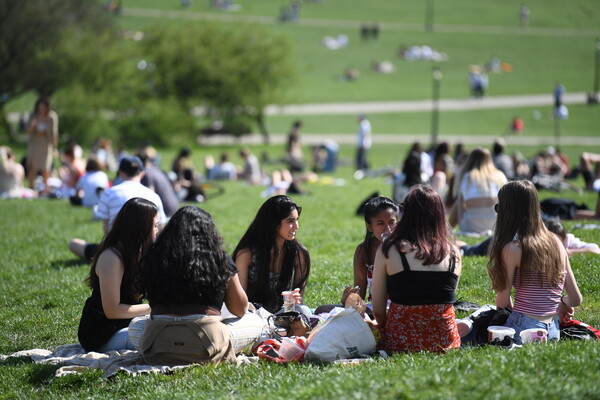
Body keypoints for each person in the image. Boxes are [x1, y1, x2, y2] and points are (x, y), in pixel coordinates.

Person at [131, 206, 263, 365]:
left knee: (135, 325)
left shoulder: (153, 257)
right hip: (206, 346)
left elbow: (136, 293)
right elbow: (239, 309)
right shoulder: (218, 259)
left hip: (157, 346)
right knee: (255, 320)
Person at [488, 180, 582, 343]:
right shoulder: (557, 243)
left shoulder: (513, 249)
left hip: (523, 327)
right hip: (553, 330)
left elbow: (502, 302)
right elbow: (576, 299)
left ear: (508, 213)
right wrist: (561, 302)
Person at [372, 185, 462, 353]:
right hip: (446, 342)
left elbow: (377, 309)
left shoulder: (389, 250)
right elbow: (444, 299)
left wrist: (384, 329)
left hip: (400, 343)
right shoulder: (453, 253)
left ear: (405, 214)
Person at [77, 197, 159, 352]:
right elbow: (112, 310)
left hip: (128, 324)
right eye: (154, 225)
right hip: (103, 334)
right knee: (159, 336)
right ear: (141, 227)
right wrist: (155, 308)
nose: (157, 230)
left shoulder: (138, 253)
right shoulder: (112, 258)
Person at [68, 156, 166, 261]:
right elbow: (160, 228)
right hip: (145, 251)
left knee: (73, 243)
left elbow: (106, 228)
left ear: (120, 173)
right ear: (142, 173)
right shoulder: (153, 195)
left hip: (117, 251)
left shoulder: (109, 193)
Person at [232, 195, 310, 314]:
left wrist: (294, 300)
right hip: (250, 313)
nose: (296, 226)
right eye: (290, 221)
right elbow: (239, 300)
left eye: (297, 219)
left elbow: (298, 301)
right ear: (273, 223)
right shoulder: (247, 254)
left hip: (281, 314)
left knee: (304, 311)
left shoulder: (298, 253)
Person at [449, 147, 507, 235]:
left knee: (459, 201)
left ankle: (448, 228)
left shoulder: (466, 176)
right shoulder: (499, 175)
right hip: (496, 225)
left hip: (470, 226)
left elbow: (460, 203)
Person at [26, 97, 58, 195]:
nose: (41, 109)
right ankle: (31, 188)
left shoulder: (52, 117)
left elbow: (54, 134)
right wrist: (33, 125)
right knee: (31, 166)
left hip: (45, 145)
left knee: (45, 168)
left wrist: (55, 148)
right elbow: (28, 131)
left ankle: (45, 190)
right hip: (34, 144)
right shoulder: (33, 116)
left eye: (43, 107)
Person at [137, 146, 180, 218]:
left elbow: (150, 195)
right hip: (174, 208)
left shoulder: (147, 173)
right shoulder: (156, 170)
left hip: (166, 212)